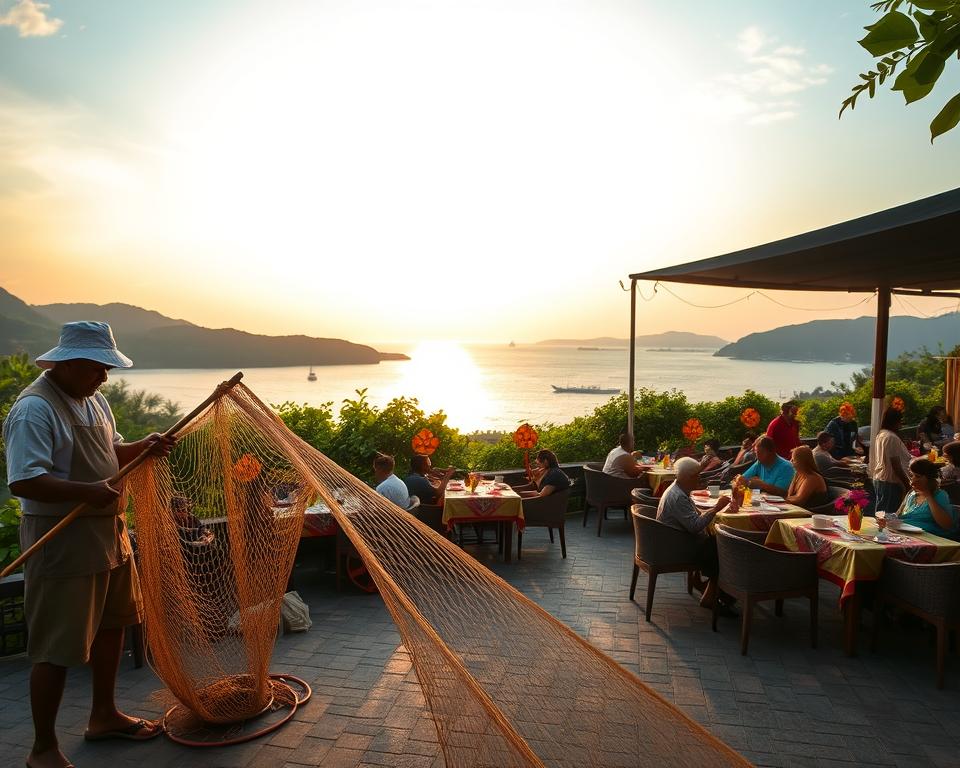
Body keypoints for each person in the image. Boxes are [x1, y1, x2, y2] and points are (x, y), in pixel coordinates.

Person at [3, 321, 176, 768]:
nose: (104, 377)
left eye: (106, 369)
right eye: (97, 368)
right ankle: (42, 748)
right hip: (61, 538)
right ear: (69, 363)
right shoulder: (34, 409)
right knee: (56, 646)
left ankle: (104, 715)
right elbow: (24, 480)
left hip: (108, 532)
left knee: (114, 624)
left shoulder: (95, 401)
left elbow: (113, 450)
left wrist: (144, 446)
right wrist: (86, 490)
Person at [655, 457, 732, 612]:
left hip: (670, 540)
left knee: (715, 542)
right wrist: (716, 508)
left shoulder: (677, 489)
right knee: (723, 547)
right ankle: (711, 596)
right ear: (687, 477)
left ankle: (705, 584)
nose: (699, 478)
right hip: (676, 548)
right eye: (696, 475)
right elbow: (695, 526)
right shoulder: (678, 497)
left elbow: (691, 518)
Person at [896, 457, 958, 538]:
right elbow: (897, 516)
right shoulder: (911, 494)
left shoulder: (940, 495)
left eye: (917, 476)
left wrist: (927, 494)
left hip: (931, 538)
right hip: (908, 535)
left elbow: (946, 524)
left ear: (929, 479)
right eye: (912, 475)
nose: (913, 479)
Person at [870, 406, 913, 514]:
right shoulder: (891, 437)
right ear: (895, 422)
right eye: (900, 421)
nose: (901, 424)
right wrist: (907, 483)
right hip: (890, 481)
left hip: (881, 478)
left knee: (881, 513)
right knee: (888, 516)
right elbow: (896, 465)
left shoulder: (882, 434)